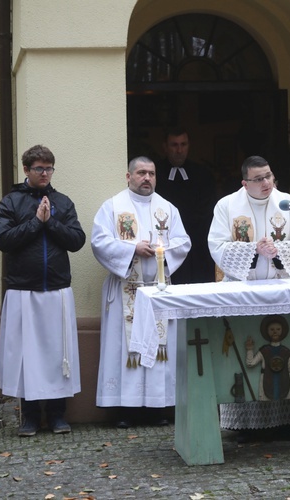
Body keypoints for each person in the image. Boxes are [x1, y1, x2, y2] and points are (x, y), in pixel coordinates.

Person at [208, 155, 290, 440]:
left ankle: (286, 420)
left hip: (281, 288)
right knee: (246, 348)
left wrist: (278, 252)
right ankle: (243, 423)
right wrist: (254, 249)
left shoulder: (288, 202)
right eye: (258, 179)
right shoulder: (227, 206)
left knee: (284, 347)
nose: (266, 183)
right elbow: (216, 246)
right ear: (244, 183)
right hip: (242, 292)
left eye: (269, 176)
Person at [91, 156, 191, 428]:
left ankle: (157, 408)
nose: (147, 178)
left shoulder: (167, 209)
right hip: (127, 287)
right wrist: (132, 249)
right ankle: (126, 410)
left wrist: (161, 251)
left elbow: (183, 242)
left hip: (158, 290)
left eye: (152, 173)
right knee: (126, 349)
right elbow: (99, 242)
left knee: (159, 348)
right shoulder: (112, 207)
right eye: (141, 173)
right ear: (129, 176)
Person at [0, 145, 86, 436]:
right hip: (24, 290)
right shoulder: (11, 202)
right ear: (26, 170)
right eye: (39, 168)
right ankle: (31, 417)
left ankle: (58, 415)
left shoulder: (62, 201)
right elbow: (4, 240)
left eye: (49, 168)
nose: (45, 173)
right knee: (28, 356)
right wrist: (36, 222)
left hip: (56, 289)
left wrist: (51, 223)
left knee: (57, 354)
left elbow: (76, 240)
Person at [155, 127, 217, 284]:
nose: (179, 150)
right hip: (167, 243)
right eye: (174, 145)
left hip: (198, 243)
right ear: (165, 147)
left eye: (183, 144)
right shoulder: (155, 174)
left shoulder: (203, 174)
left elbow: (209, 209)